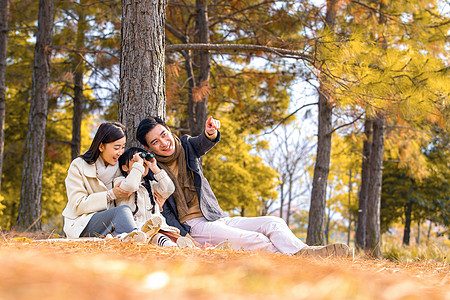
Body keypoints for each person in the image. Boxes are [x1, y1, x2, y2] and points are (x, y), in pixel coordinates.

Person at [136, 116, 351, 257]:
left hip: (215, 217)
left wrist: (210, 133)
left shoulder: (185, 145)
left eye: (164, 134)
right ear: (148, 147)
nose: (164, 143)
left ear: (168, 130)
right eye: (155, 142)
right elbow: (162, 212)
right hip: (193, 226)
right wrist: (184, 237)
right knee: (255, 240)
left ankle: (306, 254)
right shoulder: (151, 173)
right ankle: (299, 260)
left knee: (273, 222)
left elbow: (202, 142)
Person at [62, 122, 146, 241]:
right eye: (116, 148)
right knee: (122, 212)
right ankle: (136, 238)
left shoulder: (120, 167)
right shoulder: (78, 166)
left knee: (127, 214)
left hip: (111, 223)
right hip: (82, 223)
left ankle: (134, 236)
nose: (120, 152)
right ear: (101, 146)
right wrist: (110, 195)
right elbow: (77, 205)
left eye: (123, 147)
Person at [114, 147, 196, 248]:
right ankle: (170, 245)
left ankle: (199, 249)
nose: (142, 164)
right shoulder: (120, 182)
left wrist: (154, 167)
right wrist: (138, 164)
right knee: (155, 237)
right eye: (135, 161)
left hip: (159, 228)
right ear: (124, 167)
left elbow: (169, 189)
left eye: (144, 162)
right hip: (136, 228)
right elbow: (132, 185)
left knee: (176, 238)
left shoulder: (152, 185)